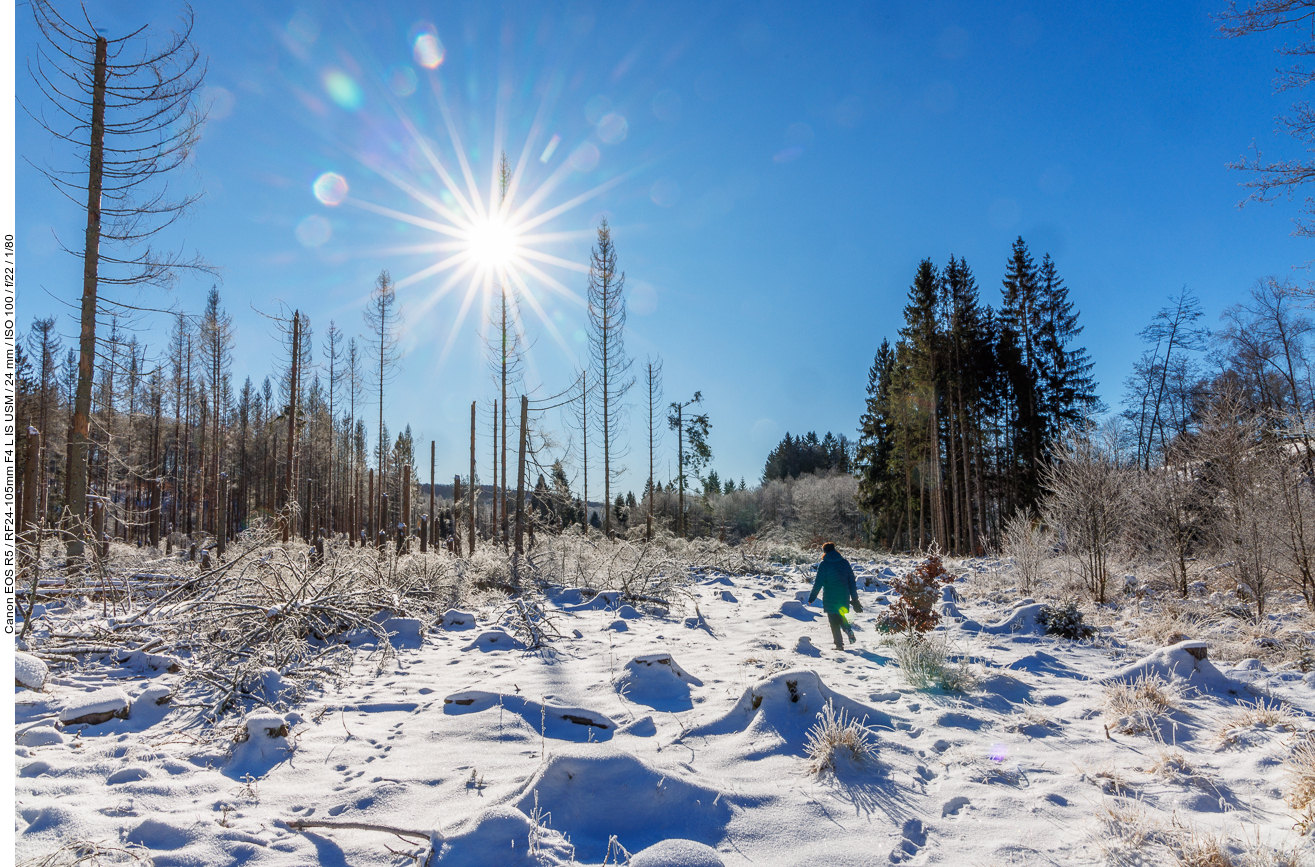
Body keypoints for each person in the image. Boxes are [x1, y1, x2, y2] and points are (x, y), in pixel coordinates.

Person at [807, 542, 863, 650]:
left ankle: (839, 645)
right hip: (844, 596)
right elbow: (852, 581)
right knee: (841, 616)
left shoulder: (824, 564)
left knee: (833, 621)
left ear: (825, 552)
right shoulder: (844, 563)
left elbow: (818, 583)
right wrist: (855, 599)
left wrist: (812, 598)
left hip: (830, 596)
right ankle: (848, 630)